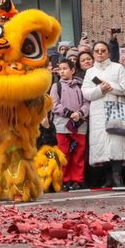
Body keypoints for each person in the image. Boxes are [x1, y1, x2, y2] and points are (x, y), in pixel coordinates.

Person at [81, 41, 125, 188]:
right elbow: (86, 92)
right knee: (101, 145)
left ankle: (117, 175)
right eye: (97, 51)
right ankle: (108, 177)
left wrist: (110, 87)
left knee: (117, 144)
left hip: (116, 108)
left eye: (103, 50)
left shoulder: (118, 68)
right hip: (99, 112)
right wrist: (100, 90)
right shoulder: (90, 72)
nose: (100, 53)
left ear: (108, 53)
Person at [49, 58, 88, 190]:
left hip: (79, 125)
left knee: (78, 153)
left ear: (72, 70)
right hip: (62, 125)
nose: (62, 71)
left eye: (65, 69)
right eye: (60, 69)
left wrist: (81, 113)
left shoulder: (81, 86)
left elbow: (87, 103)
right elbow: (54, 104)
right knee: (64, 153)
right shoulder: (56, 86)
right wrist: (68, 113)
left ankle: (77, 179)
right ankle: (64, 179)